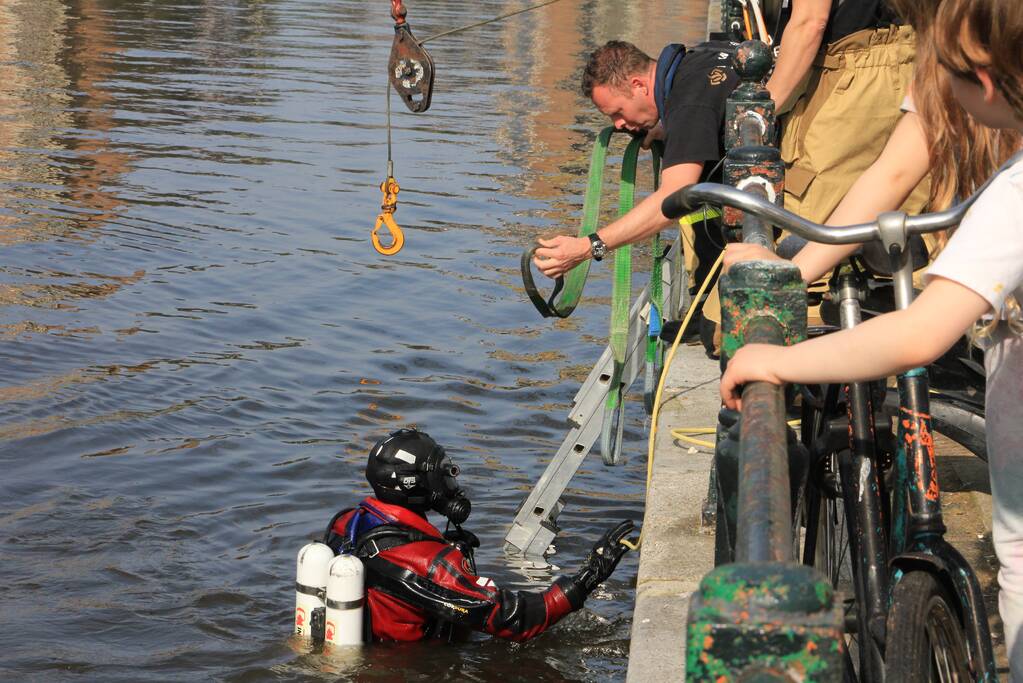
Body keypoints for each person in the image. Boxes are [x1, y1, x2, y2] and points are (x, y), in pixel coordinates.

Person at [720, 0, 1023, 673]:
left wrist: (777, 355)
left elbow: (918, 333)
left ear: (979, 76)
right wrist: (794, 276)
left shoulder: (1012, 193)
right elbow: (893, 168)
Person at [321, 428, 635, 642]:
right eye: (439, 474)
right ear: (414, 485)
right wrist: (589, 577)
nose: (446, 483)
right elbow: (516, 619)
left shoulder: (344, 523)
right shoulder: (430, 562)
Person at [532, 39, 740, 304]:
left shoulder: (689, 105)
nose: (619, 124)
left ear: (638, 85)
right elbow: (711, 111)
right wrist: (671, 126)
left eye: (617, 112)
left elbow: (674, 199)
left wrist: (588, 247)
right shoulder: (699, 60)